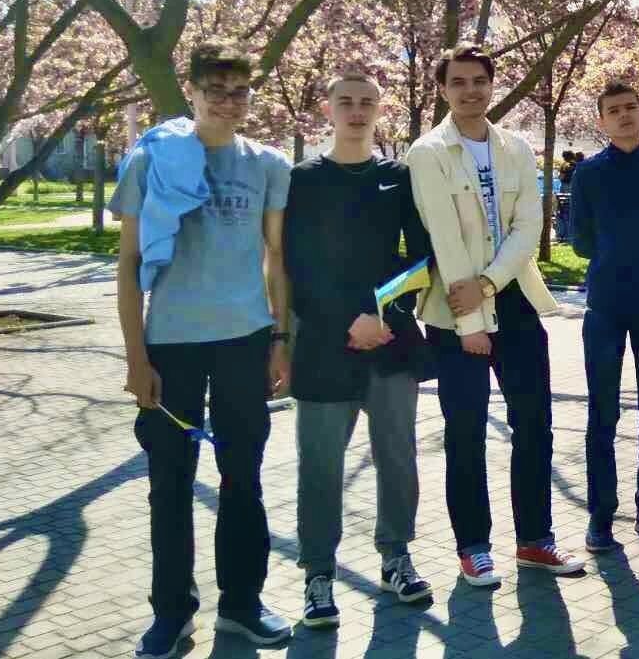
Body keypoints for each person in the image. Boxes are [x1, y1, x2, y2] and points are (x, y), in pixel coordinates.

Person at [112, 41, 294, 657]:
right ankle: (172, 614)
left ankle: (242, 604)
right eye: (215, 90)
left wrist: (280, 338)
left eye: (240, 91)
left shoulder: (268, 164)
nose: (228, 101)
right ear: (191, 91)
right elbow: (128, 264)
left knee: (243, 477)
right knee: (169, 484)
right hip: (171, 346)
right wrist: (136, 359)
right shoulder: (151, 160)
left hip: (245, 341)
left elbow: (276, 258)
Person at [406, 43, 581, 585]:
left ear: (491, 84)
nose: (470, 91)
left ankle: (535, 539)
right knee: (466, 432)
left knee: (534, 424)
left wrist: (489, 285)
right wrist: (472, 320)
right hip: (454, 309)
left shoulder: (516, 148)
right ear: (443, 89)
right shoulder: (428, 152)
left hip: (512, 298)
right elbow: (443, 235)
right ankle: (473, 546)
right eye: (458, 82)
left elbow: (529, 225)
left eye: (479, 81)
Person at [283, 70, 433, 630]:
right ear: (327, 109)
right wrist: (348, 319)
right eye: (345, 101)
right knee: (320, 465)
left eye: (366, 102)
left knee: (398, 456)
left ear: (378, 109)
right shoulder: (302, 180)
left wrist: (382, 314)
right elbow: (297, 267)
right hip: (325, 345)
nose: (356, 110)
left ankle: (396, 555)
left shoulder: (399, 177)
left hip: (391, 340)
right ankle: (318, 573)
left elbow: (422, 257)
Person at [570, 80, 639, 551]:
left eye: (631, 106)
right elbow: (579, 240)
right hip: (606, 306)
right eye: (614, 110)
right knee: (603, 414)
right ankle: (601, 516)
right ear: (601, 121)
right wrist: (614, 256)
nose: (624, 115)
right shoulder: (588, 174)